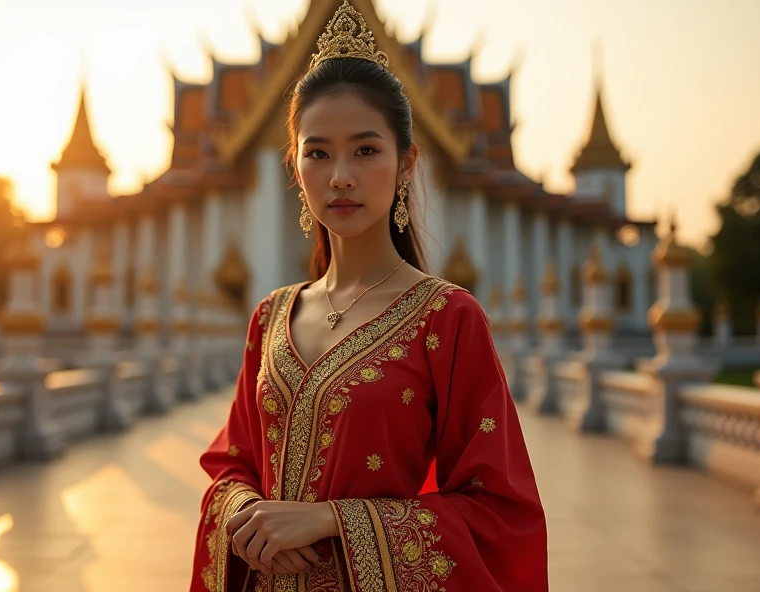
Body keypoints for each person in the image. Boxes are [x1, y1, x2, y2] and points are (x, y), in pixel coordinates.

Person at [190, 2, 548, 590]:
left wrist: (330, 520)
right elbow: (234, 465)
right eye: (318, 152)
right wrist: (244, 516)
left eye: (365, 150)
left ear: (406, 164)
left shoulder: (448, 318)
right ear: (296, 166)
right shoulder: (270, 318)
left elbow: (498, 513)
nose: (341, 177)